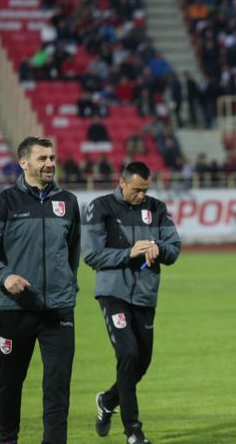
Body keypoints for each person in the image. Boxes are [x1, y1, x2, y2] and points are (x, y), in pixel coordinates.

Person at [0, 136, 81, 444]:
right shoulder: (3, 202)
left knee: (58, 386)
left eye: (52, 157)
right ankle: (8, 440)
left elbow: (72, 251)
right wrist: (4, 276)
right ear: (24, 162)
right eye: (42, 159)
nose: (50, 164)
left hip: (58, 309)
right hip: (15, 308)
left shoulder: (68, 202)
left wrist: (69, 286)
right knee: (10, 383)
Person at [82, 162, 181, 444]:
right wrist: (130, 253)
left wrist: (159, 248)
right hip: (113, 293)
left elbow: (174, 249)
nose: (141, 195)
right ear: (122, 182)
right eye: (137, 190)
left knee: (142, 361)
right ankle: (133, 431)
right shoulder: (100, 207)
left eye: (145, 190)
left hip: (145, 295)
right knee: (128, 354)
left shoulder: (157, 209)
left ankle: (107, 400)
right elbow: (91, 255)